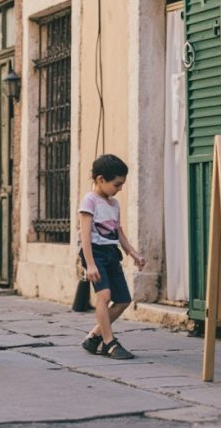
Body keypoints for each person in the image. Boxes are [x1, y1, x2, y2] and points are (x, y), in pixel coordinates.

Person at [77, 154, 146, 360]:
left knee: (123, 300)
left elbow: (118, 232)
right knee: (104, 296)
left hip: (111, 254)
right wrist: (90, 264)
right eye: (117, 184)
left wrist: (133, 253)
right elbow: (85, 235)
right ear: (100, 179)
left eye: (122, 184)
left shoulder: (114, 204)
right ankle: (109, 342)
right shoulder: (90, 201)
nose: (120, 188)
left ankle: (94, 336)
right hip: (95, 253)